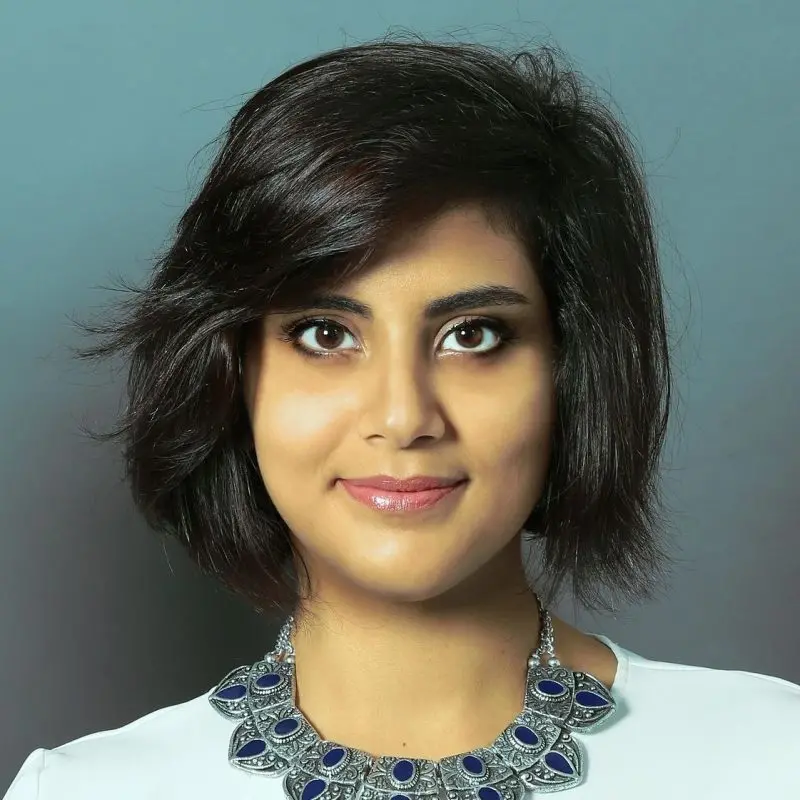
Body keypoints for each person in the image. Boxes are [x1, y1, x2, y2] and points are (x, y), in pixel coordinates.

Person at [5, 35, 799, 800]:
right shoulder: (82, 791)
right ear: (234, 374)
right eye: (325, 335)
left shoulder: (772, 759)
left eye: (473, 335)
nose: (403, 415)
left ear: (572, 370)